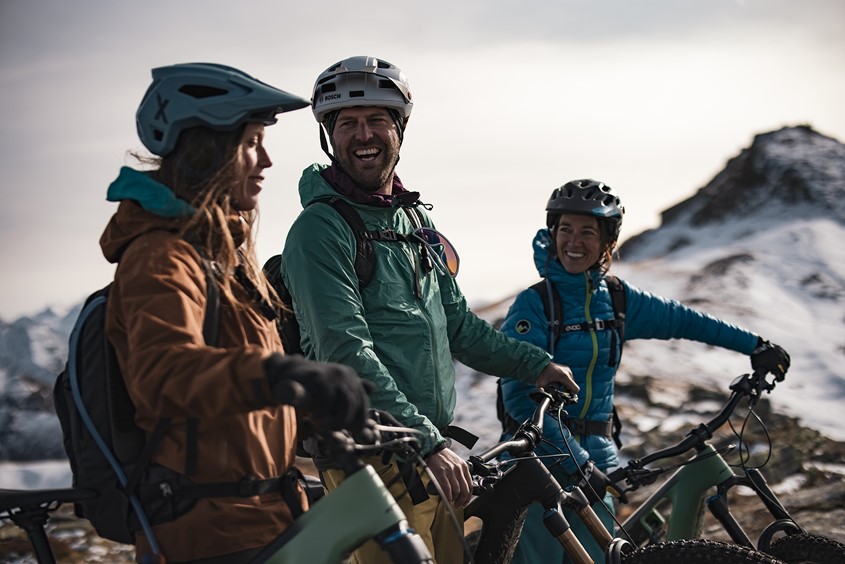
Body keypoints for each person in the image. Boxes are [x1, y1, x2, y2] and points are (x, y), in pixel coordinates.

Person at [279, 55, 578, 563]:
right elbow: (342, 350)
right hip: (367, 460)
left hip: (426, 455)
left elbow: (458, 326)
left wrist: (535, 364)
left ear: (400, 128)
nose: (363, 134)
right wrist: (427, 442)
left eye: (377, 119)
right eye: (346, 123)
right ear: (329, 135)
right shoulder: (319, 230)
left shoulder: (414, 220)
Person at [101, 63, 371, 563]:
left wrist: (321, 410)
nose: (266, 160)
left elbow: (244, 397)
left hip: (268, 520)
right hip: (212, 537)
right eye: (251, 142)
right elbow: (166, 374)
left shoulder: (226, 261)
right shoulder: (161, 258)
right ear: (209, 152)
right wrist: (283, 372)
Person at [498, 178, 791, 563]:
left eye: (588, 232)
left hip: (597, 466)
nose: (573, 241)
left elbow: (687, 321)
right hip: (539, 467)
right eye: (565, 229)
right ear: (552, 234)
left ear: (608, 242)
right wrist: (578, 463)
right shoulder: (534, 306)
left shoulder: (618, 300)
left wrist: (756, 346)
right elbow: (520, 398)